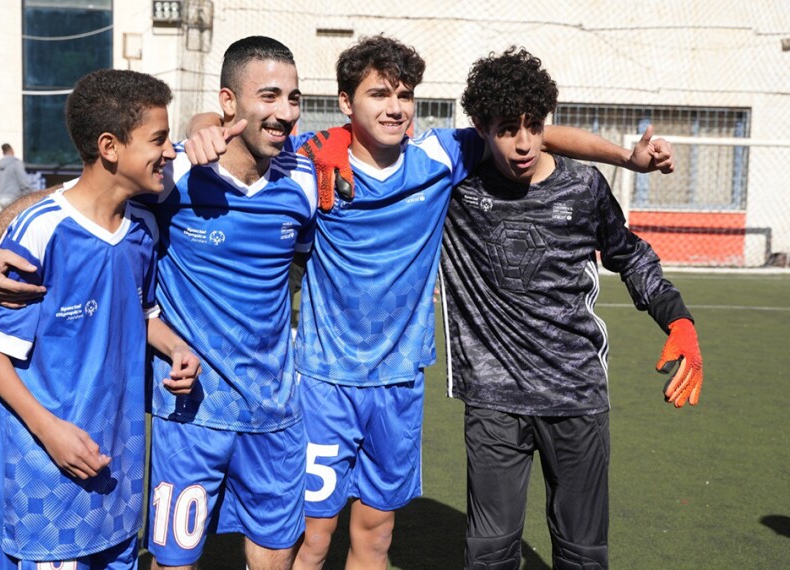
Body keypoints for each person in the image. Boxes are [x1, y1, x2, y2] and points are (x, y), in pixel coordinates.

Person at [180, 34, 677, 570]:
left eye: (404, 94)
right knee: (313, 539)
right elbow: (241, 131)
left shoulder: (439, 158)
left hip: (399, 385)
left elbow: (530, 128)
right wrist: (202, 124)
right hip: (326, 383)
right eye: (378, 94)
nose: (394, 107)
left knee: (374, 539)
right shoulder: (308, 163)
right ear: (347, 103)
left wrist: (627, 158)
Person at [0, 37, 317, 570]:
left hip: (255, 416)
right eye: (271, 96)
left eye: (295, 98)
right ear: (230, 103)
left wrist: (174, 344)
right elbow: (70, 203)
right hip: (176, 424)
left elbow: (140, 309)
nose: (286, 113)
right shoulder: (170, 182)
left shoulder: (297, 180)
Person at [440, 47, 703, 569]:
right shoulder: (456, 181)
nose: (522, 143)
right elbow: (376, 141)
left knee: (583, 556)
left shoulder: (584, 187)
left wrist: (678, 319)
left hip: (576, 393)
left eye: (534, 127)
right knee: (489, 555)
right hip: (494, 400)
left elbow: (629, 254)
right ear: (479, 126)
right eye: (506, 129)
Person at [0, 68, 200, 570]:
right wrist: (50, 431)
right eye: (158, 139)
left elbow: (141, 312)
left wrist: (175, 347)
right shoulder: (41, 231)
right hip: (45, 479)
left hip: (119, 479)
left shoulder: (143, 230)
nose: (170, 152)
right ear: (110, 146)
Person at [0, 144, 32, 209]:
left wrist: (0, 196)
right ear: (12, 150)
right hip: (14, 198)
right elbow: (24, 182)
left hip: (1, 199)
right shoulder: (16, 163)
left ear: (3, 153)